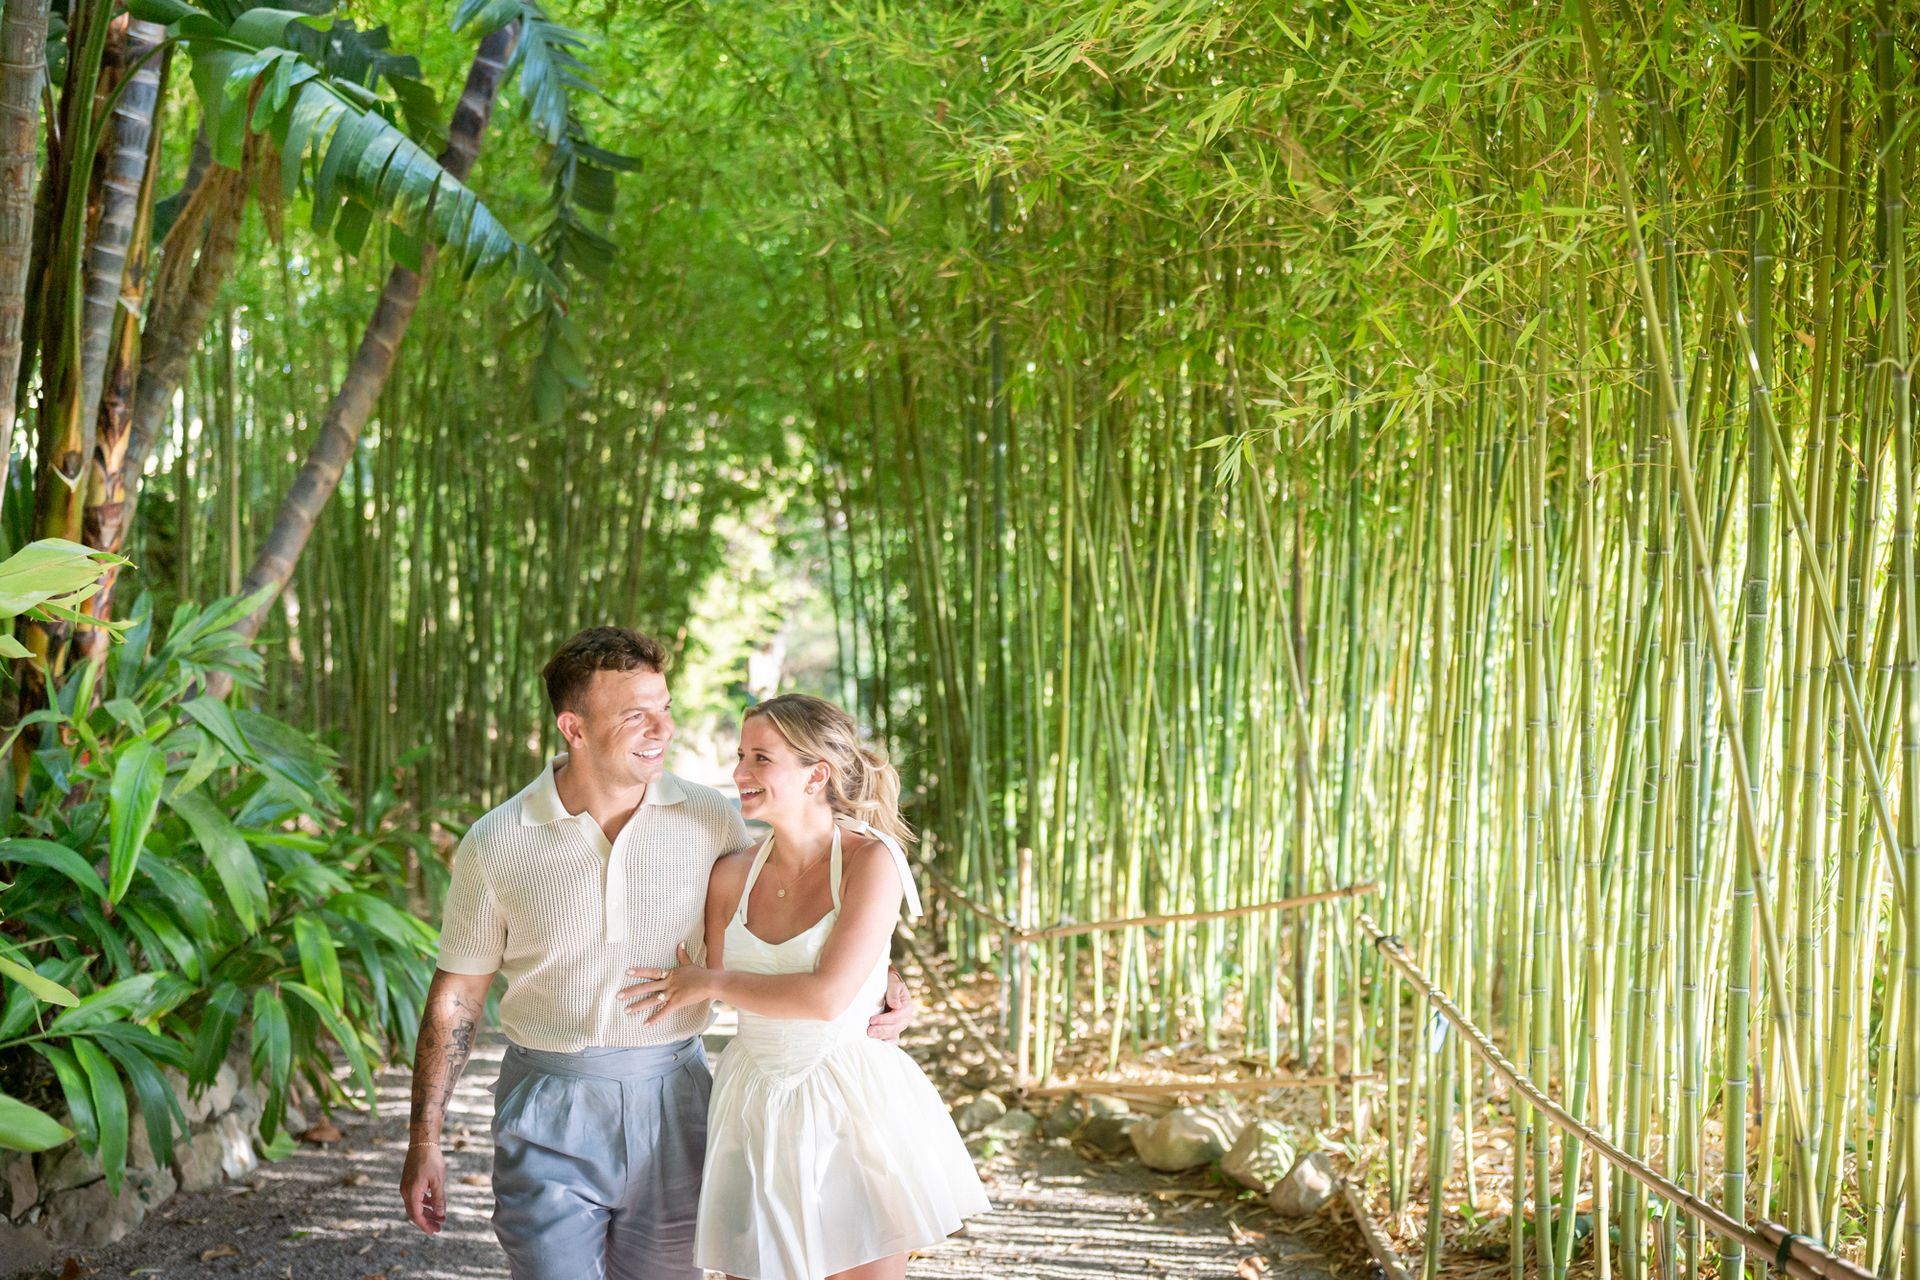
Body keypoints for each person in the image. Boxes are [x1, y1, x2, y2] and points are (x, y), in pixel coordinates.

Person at [399, 629, 913, 1280]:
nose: (663, 729)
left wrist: (880, 976)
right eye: (635, 715)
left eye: (664, 708)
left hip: (679, 1101)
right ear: (573, 728)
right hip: (550, 1102)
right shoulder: (496, 840)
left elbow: (787, 917)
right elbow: (457, 994)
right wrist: (425, 1139)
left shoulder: (713, 819)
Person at [620, 694, 988, 1280]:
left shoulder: (872, 860)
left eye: (760, 758)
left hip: (851, 1099)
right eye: (741, 755)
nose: (740, 772)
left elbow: (825, 998)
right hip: (753, 1099)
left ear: (817, 775)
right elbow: (721, 977)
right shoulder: (730, 875)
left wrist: (712, 982)